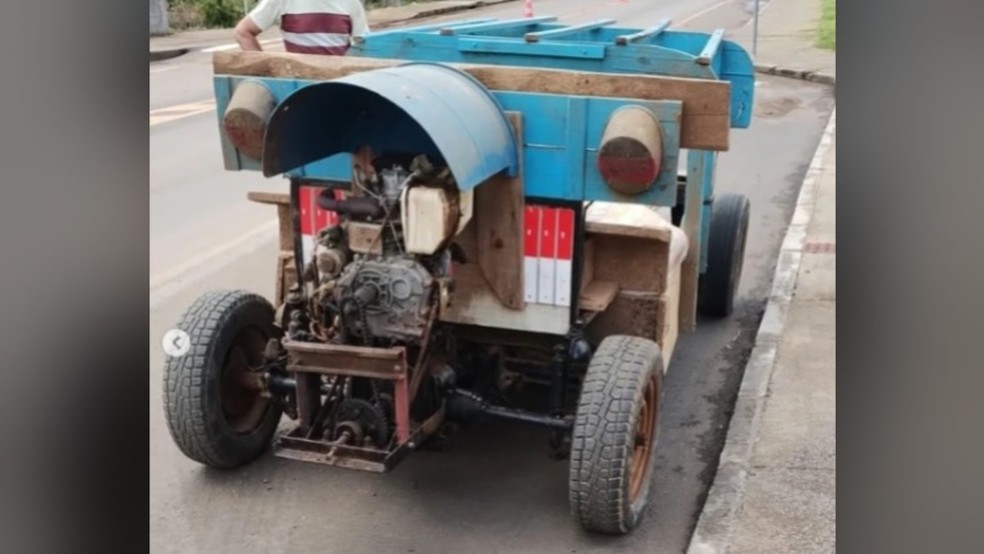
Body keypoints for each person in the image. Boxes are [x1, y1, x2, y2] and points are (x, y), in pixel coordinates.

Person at [233, 0, 370, 55]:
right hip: (298, 91)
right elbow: (243, 32)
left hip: (341, 87)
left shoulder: (351, 2)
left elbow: (365, 45)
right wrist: (264, 70)